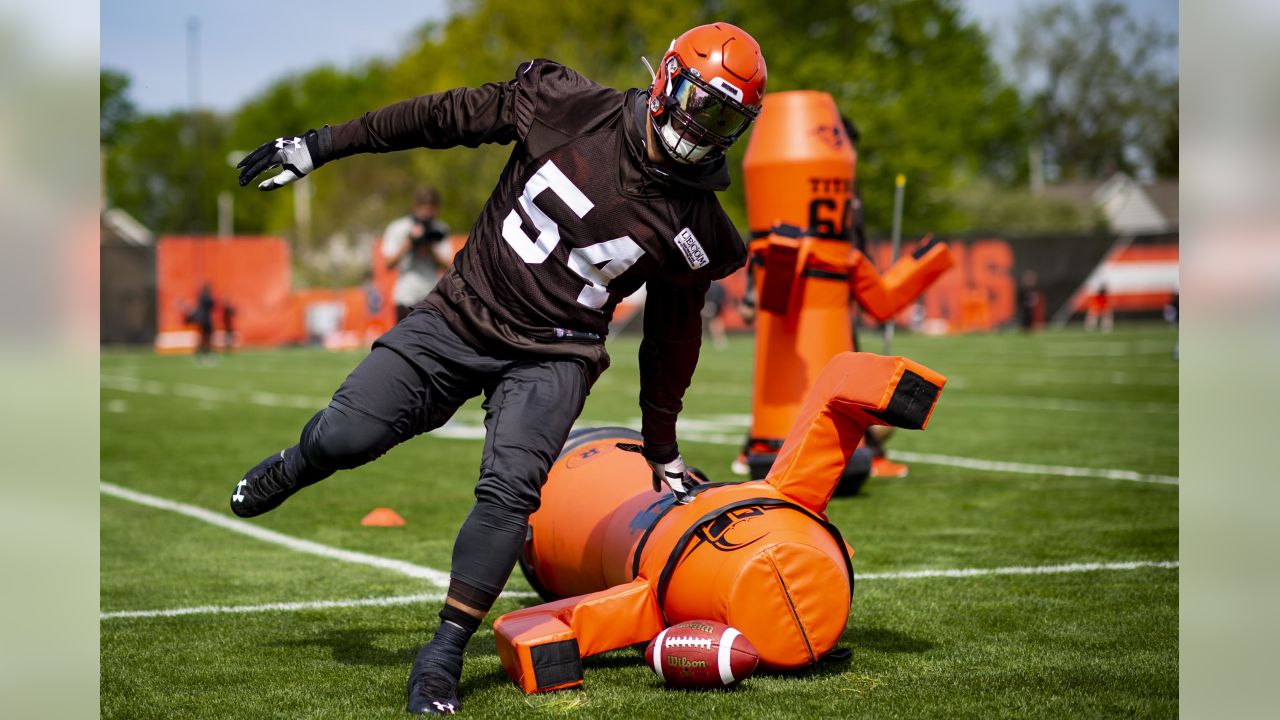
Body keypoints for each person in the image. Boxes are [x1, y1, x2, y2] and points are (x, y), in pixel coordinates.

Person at [231, 23, 765, 715]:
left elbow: (672, 337)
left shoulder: (699, 229)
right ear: (666, 78)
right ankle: (297, 463)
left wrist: (661, 446)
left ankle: (444, 652)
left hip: (557, 353)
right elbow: (437, 117)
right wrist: (322, 144)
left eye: (726, 116)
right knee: (345, 438)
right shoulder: (565, 104)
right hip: (460, 314)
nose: (704, 124)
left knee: (510, 493)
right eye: (702, 101)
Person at [384, 187, 454, 321]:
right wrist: (409, 242)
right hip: (406, 296)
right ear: (415, 206)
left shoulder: (440, 229)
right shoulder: (399, 227)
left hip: (431, 297)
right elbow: (388, 264)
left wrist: (430, 248)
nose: (427, 214)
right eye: (424, 209)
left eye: (431, 210)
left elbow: (448, 265)